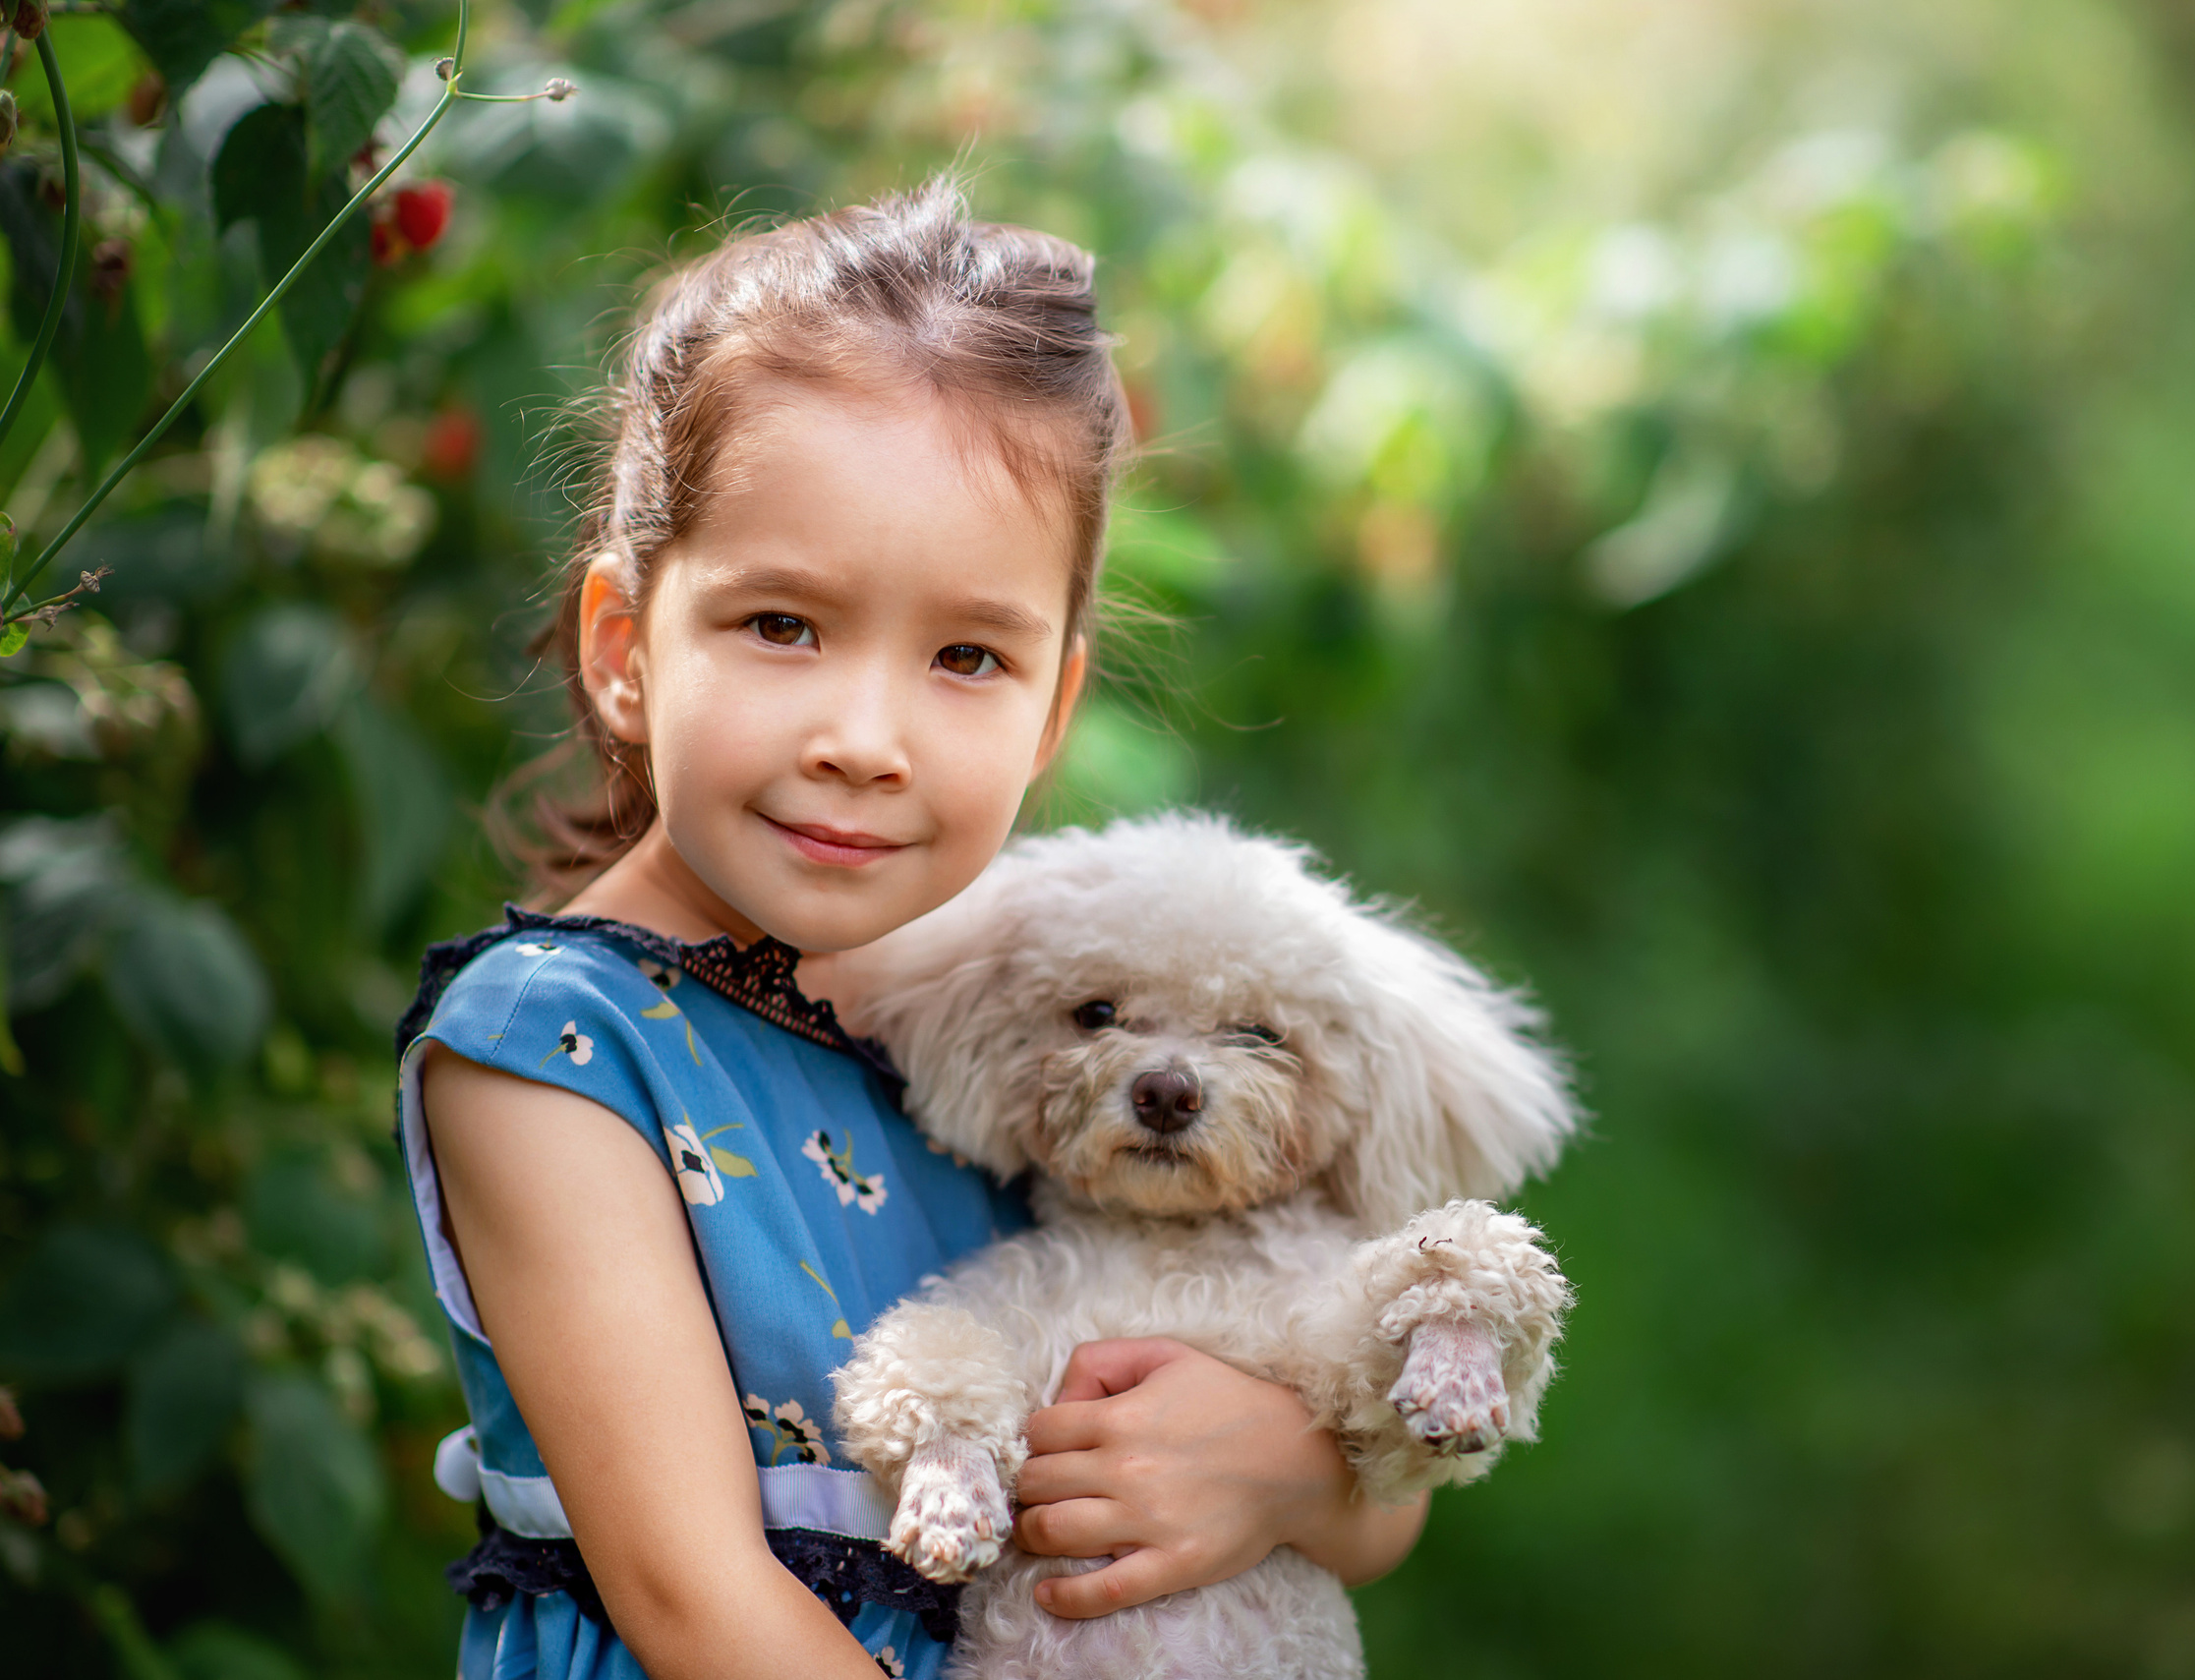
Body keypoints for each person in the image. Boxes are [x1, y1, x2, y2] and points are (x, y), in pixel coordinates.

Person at [395, 182, 1426, 1680]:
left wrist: (1280, 1470)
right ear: (626, 650)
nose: (865, 740)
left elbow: (1378, 1495)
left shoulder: (1017, 1019)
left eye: (966, 655)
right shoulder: (552, 1048)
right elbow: (694, 1601)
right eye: (782, 625)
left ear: (1052, 709)